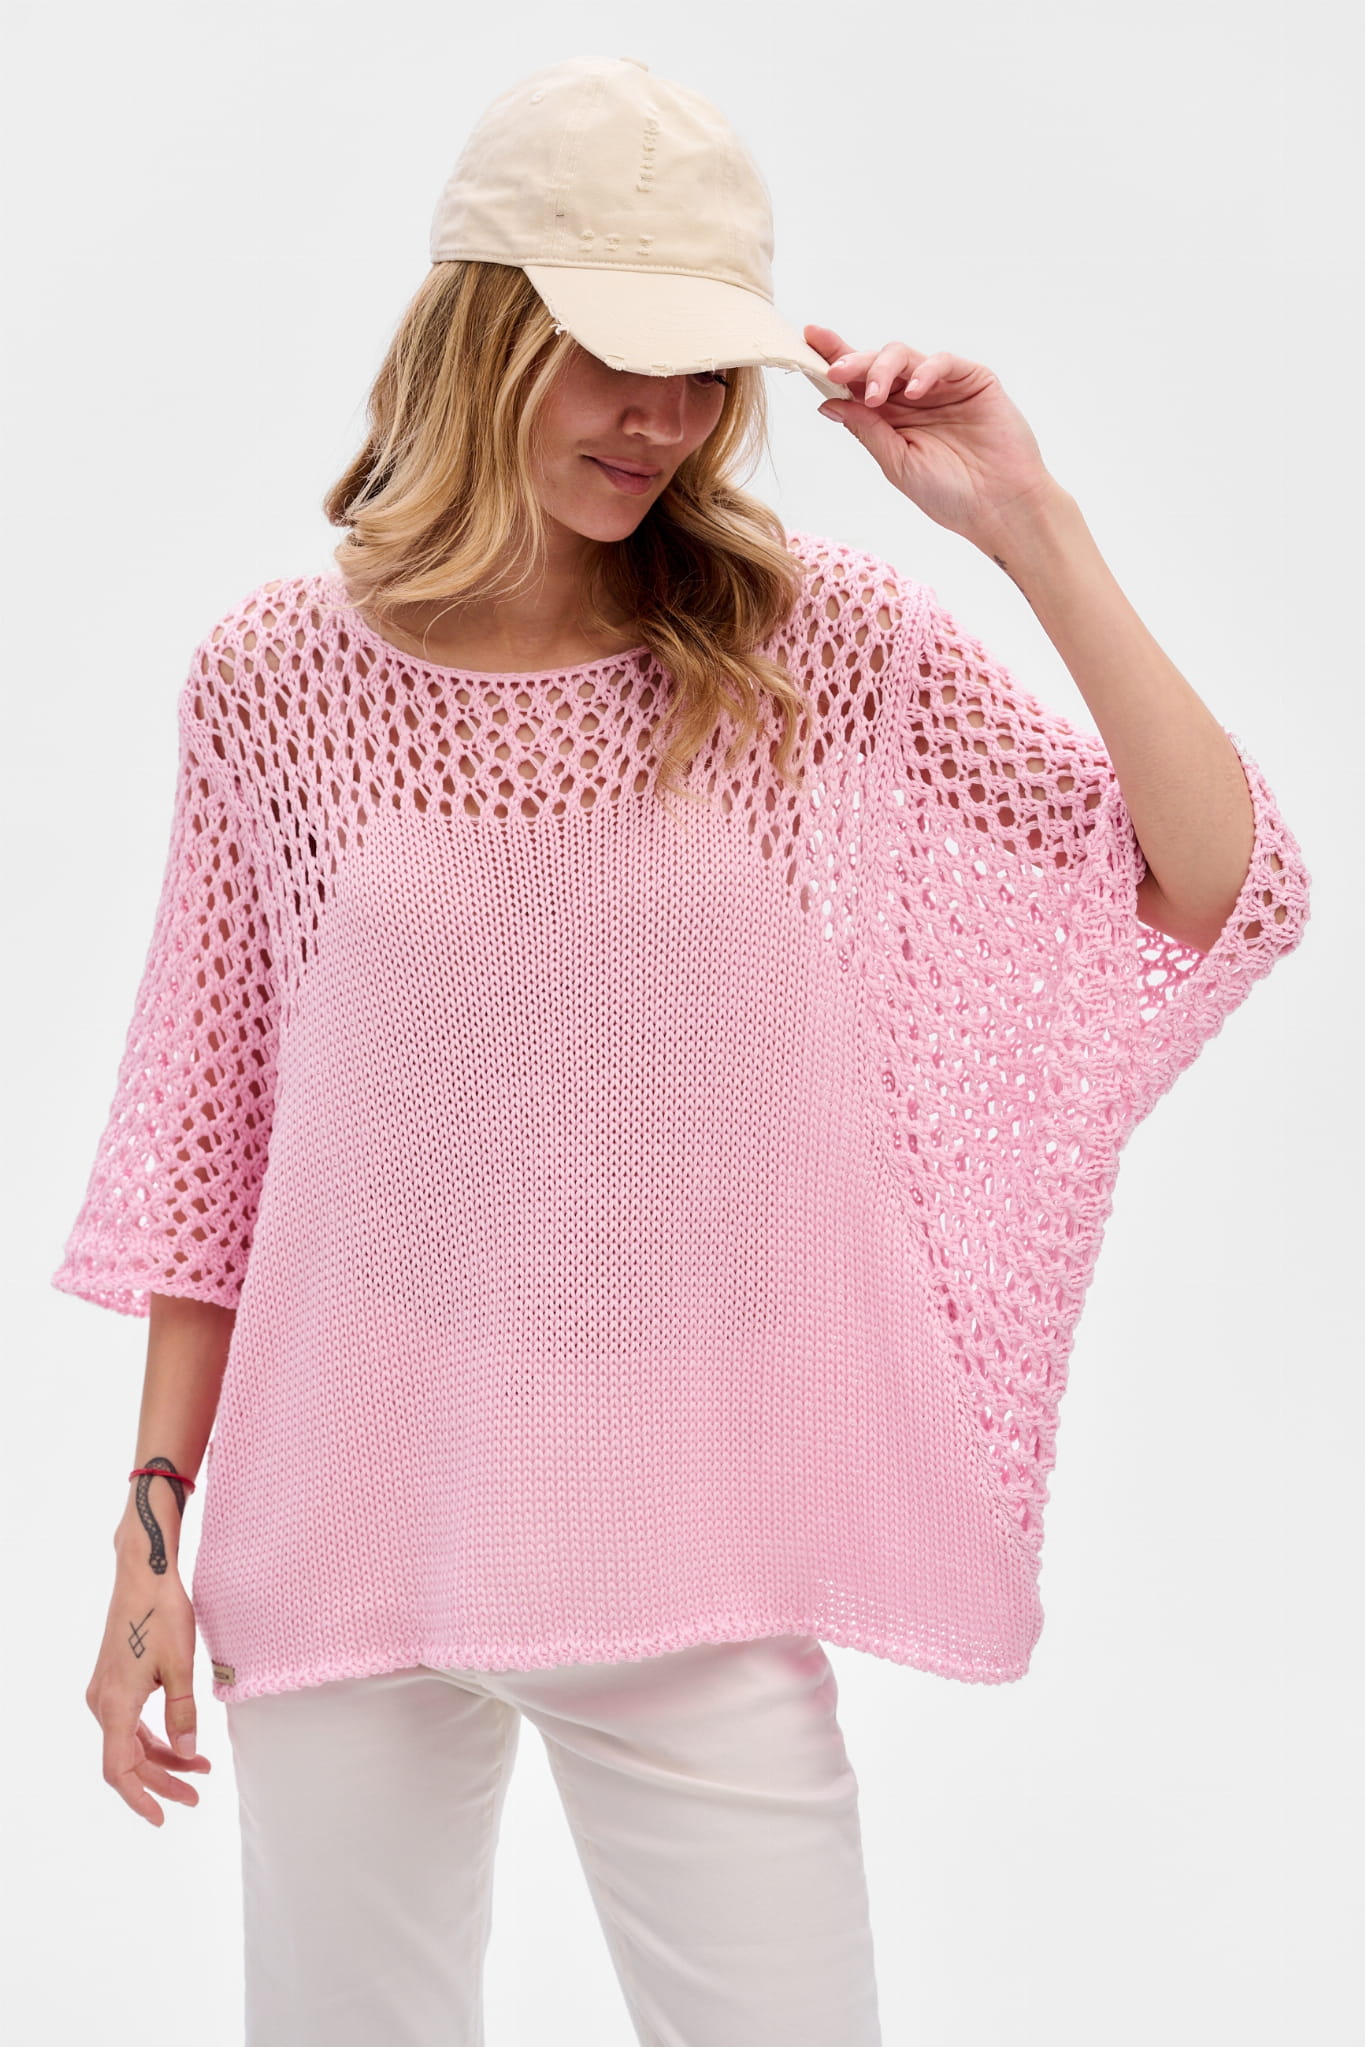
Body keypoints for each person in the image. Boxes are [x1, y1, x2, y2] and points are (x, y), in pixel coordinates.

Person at [54, 52, 1311, 2047]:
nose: (660, 418)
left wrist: (1031, 528)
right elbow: (216, 1151)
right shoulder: (276, 682)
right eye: (610, 355)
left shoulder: (812, 648)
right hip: (344, 1525)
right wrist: (148, 1533)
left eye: (703, 371)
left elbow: (1213, 883)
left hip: (690, 1532)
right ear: (482, 327)